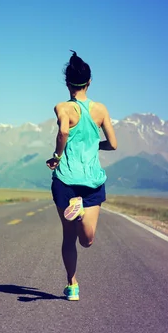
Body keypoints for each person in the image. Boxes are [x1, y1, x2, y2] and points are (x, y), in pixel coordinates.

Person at [46, 50, 118, 301]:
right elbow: (114, 143)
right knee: (87, 240)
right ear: (89, 82)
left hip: (65, 179)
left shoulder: (62, 107)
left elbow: (64, 132)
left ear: (67, 83)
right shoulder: (100, 110)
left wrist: (56, 156)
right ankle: (72, 284)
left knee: (68, 238)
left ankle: (72, 285)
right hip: (92, 181)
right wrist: (95, 145)